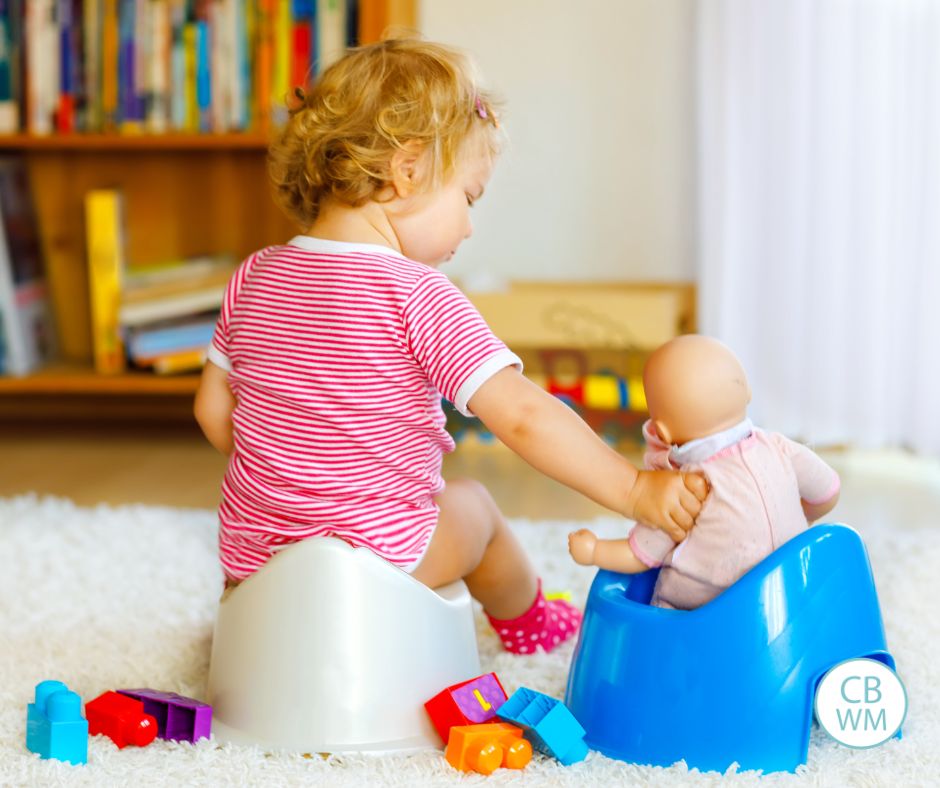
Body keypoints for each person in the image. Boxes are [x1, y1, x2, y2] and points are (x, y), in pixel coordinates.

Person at [194, 38, 707, 654]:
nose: (468, 225)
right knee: (474, 506)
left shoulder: (254, 275)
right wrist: (632, 488)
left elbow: (214, 412)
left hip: (254, 566)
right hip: (381, 566)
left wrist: (298, 469)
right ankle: (529, 623)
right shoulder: (418, 293)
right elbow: (521, 415)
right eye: (468, 197)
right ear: (406, 170)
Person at [568, 334, 841, 610]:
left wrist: (594, 550)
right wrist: (797, 520)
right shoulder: (782, 448)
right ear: (746, 391)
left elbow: (641, 555)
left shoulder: (685, 487)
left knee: (659, 612)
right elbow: (828, 493)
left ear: (661, 431)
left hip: (705, 615)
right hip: (787, 596)